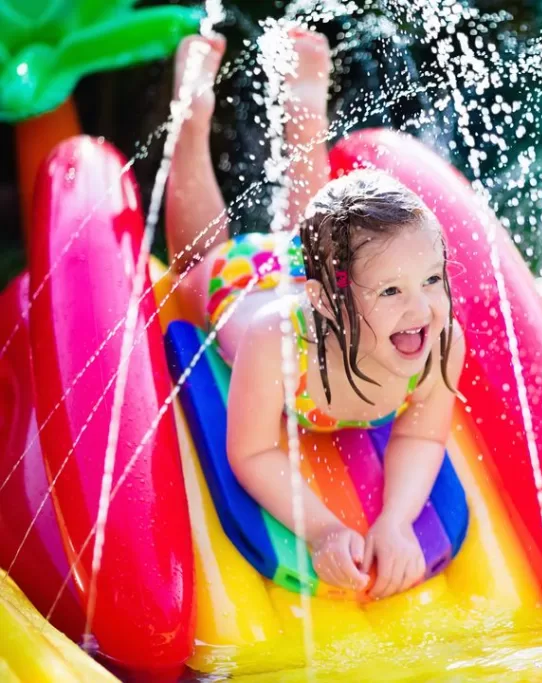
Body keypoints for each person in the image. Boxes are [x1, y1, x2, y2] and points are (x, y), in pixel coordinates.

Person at [165, 28, 466, 600]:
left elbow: (422, 435)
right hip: (247, 281)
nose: (421, 309)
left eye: (433, 279)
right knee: (196, 259)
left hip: (327, 278)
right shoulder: (278, 343)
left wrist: (396, 520)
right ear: (323, 303)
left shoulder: (441, 341)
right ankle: (192, 117)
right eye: (393, 293)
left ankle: (304, 104)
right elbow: (252, 451)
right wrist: (325, 530)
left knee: (327, 231)